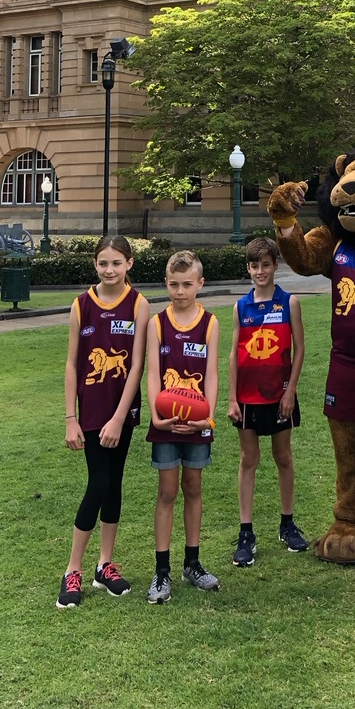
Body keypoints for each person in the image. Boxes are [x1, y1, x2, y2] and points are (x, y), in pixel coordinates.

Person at [57, 235, 150, 608]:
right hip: (92, 413)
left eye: (116, 263)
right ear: (95, 265)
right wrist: (70, 418)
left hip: (121, 413)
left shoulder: (139, 304)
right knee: (98, 483)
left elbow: (137, 365)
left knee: (114, 485)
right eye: (102, 263)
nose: (109, 270)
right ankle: (72, 569)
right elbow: (71, 364)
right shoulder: (82, 304)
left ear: (129, 264)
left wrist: (118, 418)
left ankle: (105, 565)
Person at [145, 249, 220, 603]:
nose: (180, 291)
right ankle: (162, 571)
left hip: (197, 422)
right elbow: (153, 374)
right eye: (174, 285)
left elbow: (213, 375)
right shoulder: (157, 322)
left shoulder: (211, 323)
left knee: (193, 487)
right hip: (166, 421)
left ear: (200, 284)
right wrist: (156, 416)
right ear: (166, 284)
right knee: (167, 491)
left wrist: (209, 417)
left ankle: (193, 562)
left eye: (187, 284)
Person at [228, 236, 308, 566]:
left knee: (283, 456)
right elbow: (235, 353)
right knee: (249, 458)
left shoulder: (289, 303)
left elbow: (300, 349)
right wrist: (232, 398)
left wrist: (290, 391)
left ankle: (287, 523)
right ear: (248, 268)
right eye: (253, 265)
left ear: (276, 265)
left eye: (265, 265)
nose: (259, 271)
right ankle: (246, 532)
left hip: (279, 394)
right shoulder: (240, 306)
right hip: (247, 397)